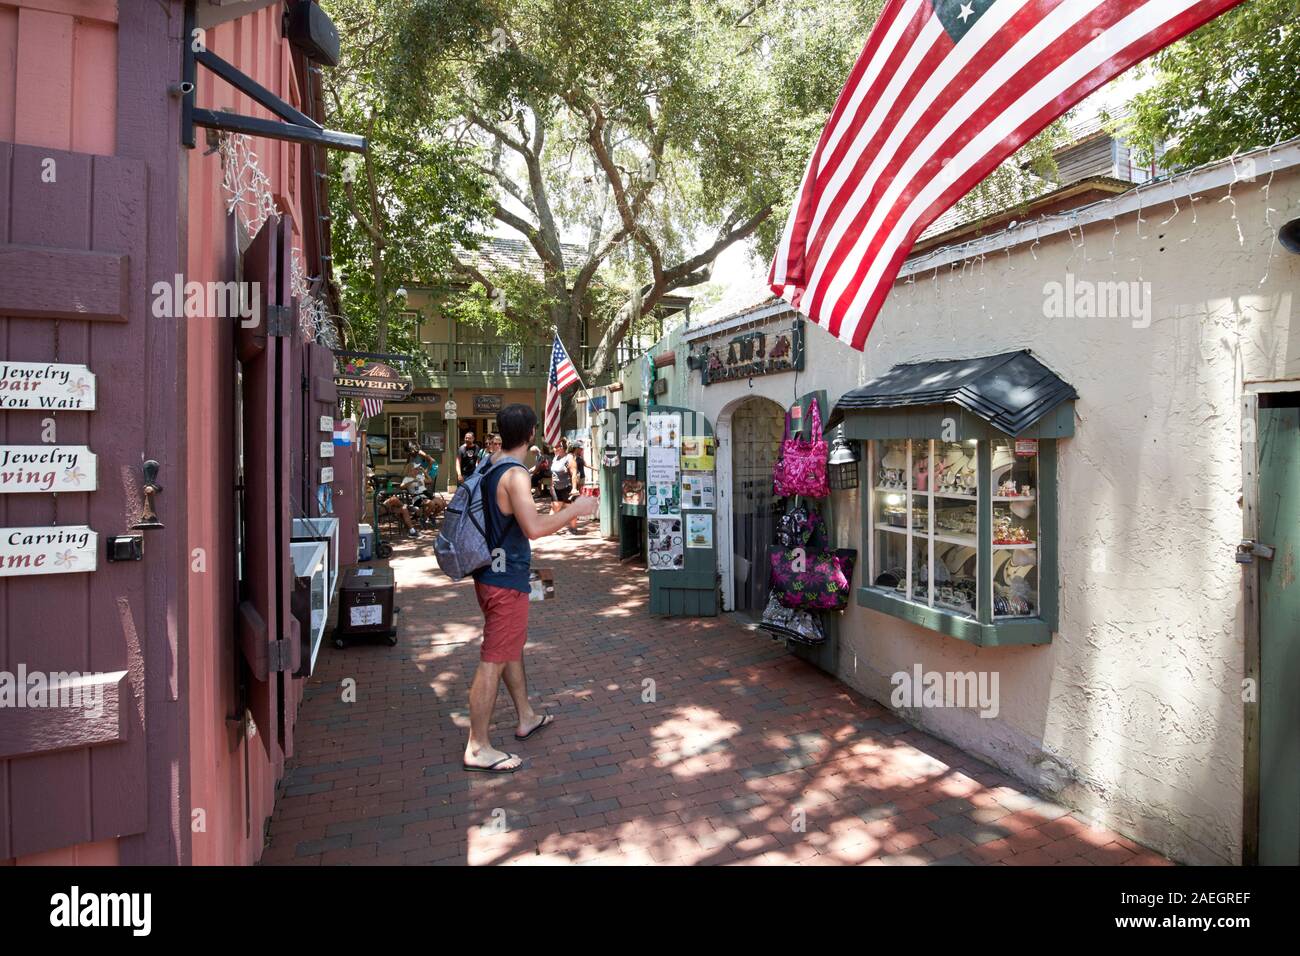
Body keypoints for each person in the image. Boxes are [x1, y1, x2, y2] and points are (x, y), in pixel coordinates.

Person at [463, 404, 599, 773]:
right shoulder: (515, 474)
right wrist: (577, 509)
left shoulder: (491, 463)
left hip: (491, 573)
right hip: (504, 580)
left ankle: (525, 715)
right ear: (531, 433)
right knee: (493, 658)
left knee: (508, 648)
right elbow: (534, 528)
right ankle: (478, 746)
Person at [549, 437, 581, 534]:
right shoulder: (555, 458)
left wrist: (574, 488)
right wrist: (551, 485)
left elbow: (574, 473)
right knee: (555, 507)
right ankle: (548, 528)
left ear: (562, 447)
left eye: (556, 447)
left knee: (570, 508)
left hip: (567, 487)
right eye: (554, 447)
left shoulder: (569, 458)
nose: (554, 448)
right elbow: (553, 474)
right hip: (556, 487)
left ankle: (573, 528)